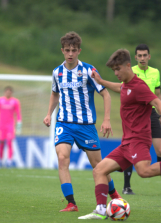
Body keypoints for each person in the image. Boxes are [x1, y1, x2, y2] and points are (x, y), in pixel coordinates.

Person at [78, 49, 161, 220]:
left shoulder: (139, 86)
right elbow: (120, 88)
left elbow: (157, 101)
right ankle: (101, 210)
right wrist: (101, 80)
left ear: (128, 66)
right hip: (126, 142)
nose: (116, 73)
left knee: (143, 171)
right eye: (114, 71)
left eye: (118, 69)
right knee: (99, 171)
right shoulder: (126, 84)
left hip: (139, 139)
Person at [43, 31, 121, 212]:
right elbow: (55, 94)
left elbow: (106, 94)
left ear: (79, 51)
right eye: (67, 50)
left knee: (98, 166)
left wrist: (107, 119)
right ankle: (71, 203)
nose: (70, 53)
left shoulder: (88, 71)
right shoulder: (57, 72)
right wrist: (49, 114)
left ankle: (115, 195)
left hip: (86, 126)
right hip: (64, 123)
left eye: (74, 50)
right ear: (62, 50)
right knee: (62, 159)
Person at [122, 44, 161, 196]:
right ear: (135, 57)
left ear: (149, 56)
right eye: (139, 56)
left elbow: (157, 95)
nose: (142, 58)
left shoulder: (155, 72)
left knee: (160, 149)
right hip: (136, 115)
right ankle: (126, 186)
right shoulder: (130, 71)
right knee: (131, 149)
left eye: (145, 55)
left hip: (152, 113)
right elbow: (123, 92)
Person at [0, 86, 22, 167]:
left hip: (10, 125)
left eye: (10, 92)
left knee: (9, 142)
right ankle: (0, 160)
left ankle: (9, 161)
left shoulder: (15, 102)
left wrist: (19, 124)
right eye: (7, 92)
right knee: (1, 143)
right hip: (1, 125)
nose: (8, 93)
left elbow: (18, 113)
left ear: (11, 93)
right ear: (4, 92)